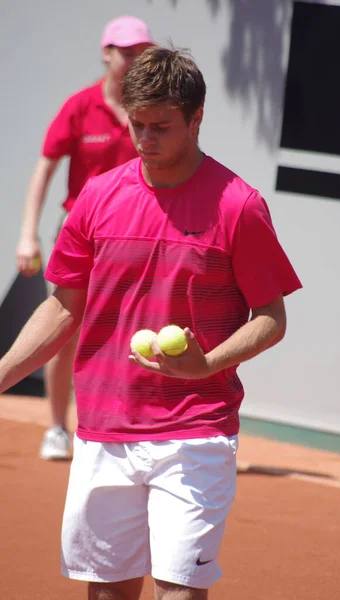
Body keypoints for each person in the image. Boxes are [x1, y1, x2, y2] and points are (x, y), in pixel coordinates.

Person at [0, 46, 302, 600]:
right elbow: (63, 306)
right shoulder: (97, 197)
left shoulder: (239, 206)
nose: (145, 139)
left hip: (196, 430)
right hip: (104, 429)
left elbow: (271, 317)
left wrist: (206, 363)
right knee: (109, 594)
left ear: (196, 118)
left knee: (179, 592)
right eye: (137, 124)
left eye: (161, 126)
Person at [15, 15, 154, 460]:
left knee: (134, 333)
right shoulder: (79, 106)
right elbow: (45, 168)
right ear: (106, 53)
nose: (134, 59)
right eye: (127, 52)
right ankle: (57, 427)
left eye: (141, 51)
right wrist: (27, 235)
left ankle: (126, 428)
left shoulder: (148, 113)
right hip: (80, 232)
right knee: (64, 327)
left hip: (136, 237)